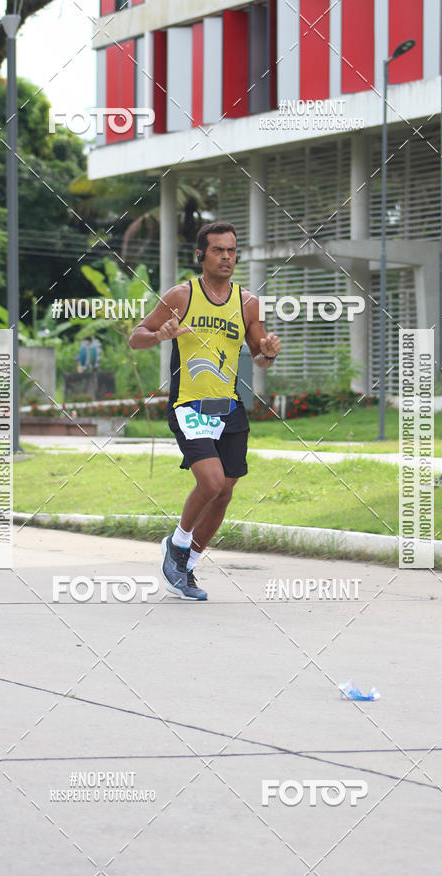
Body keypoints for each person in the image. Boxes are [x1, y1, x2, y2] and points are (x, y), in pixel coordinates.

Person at [129, 222, 281, 600]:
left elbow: (259, 359)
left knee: (225, 493)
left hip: (228, 405)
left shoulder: (248, 303)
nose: (227, 257)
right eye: (218, 250)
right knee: (210, 483)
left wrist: (268, 354)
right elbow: (136, 337)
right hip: (189, 404)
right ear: (201, 255)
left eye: (232, 250)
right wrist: (159, 335)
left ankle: (187, 569)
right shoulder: (181, 295)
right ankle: (177, 544)